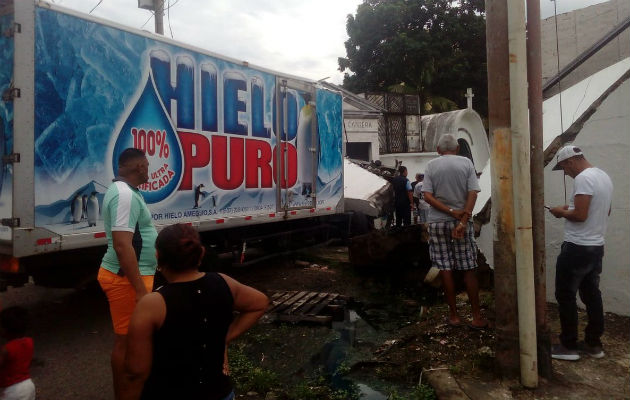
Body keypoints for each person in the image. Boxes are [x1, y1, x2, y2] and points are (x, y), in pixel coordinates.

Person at [122, 224, 269, 400]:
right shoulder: (224, 282)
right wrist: (224, 338)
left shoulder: (153, 304)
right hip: (220, 392)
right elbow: (260, 303)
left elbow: (136, 372)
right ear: (200, 254)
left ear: (158, 257)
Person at [98, 148, 157, 399]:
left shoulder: (125, 191)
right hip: (126, 280)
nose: (148, 169)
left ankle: (131, 391)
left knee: (132, 339)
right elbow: (123, 245)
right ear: (139, 168)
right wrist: (140, 290)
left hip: (129, 276)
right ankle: (125, 395)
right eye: (147, 165)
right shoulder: (124, 195)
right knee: (127, 342)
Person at [548, 145, 612, 361]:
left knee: (565, 294)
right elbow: (604, 209)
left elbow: (582, 215)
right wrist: (569, 206)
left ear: (571, 161)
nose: (565, 173)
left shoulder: (583, 178)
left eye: (564, 168)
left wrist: (561, 212)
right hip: (596, 247)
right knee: (591, 294)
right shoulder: (603, 176)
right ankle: (594, 345)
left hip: (577, 247)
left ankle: (568, 346)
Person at [422, 134, 487, 329]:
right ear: (457, 149)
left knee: (445, 268)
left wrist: (449, 211)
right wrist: (462, 219)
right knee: (468, 268)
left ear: (439, 150)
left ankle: (454, 317)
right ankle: (476, 317)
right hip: (461, 223)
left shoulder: (432, 165)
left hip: (437, 222)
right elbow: (473, 193)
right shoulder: (466, 163)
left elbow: (427, 196)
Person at [0, 306, 35, 400]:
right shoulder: (29, 341)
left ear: (6, 329)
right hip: (28, 385)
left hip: (12, 390)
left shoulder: (6, 349)